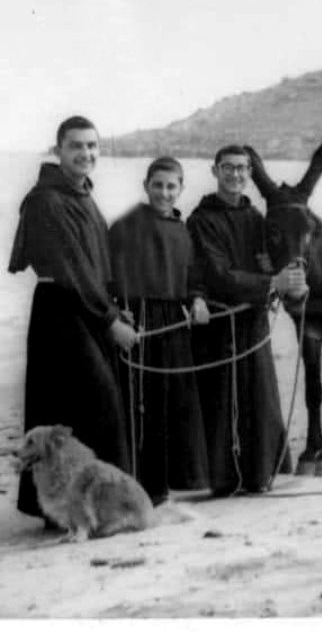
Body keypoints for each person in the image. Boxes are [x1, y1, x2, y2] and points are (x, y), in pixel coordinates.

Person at [8, 115, 140, 524]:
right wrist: (110, 320)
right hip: (61, 314)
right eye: (76, 146)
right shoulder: (46, 200)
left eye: (92, 146)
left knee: (91, 410)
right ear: (58, 150)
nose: (86, 153)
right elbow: (71, 269)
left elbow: (95, 262)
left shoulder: (81, 194)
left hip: (86, 308)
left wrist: (113, 306)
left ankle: (100, 507)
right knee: (96, 405)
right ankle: (70, 510)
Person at [187, 145, 307, 496]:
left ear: (249, 173)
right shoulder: (201, 220)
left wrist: (294, 279)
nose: (235, 175)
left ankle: (259, 475)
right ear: (215, 171)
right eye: (228, 167)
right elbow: (218, 273)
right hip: (219, 323)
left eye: (242, 168)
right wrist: (271, 282)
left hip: (253, 321)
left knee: (259, 394)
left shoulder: (256, 218)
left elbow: (274, 257)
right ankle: (223, 480)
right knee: (221, 398)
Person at [107, 156, 210, 506]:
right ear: (146, 186)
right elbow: (107, 276)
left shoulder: (183, 230)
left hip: (173, 324)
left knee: (174, 402)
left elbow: (193, 276)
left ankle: (170, 484)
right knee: (142, 403)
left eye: (171, 187)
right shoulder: (125, 226)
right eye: (158, 186)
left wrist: (197, 299)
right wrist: (115, 312)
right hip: (139, 318)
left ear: (181, 189)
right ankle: (143, 487)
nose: (164, 193)